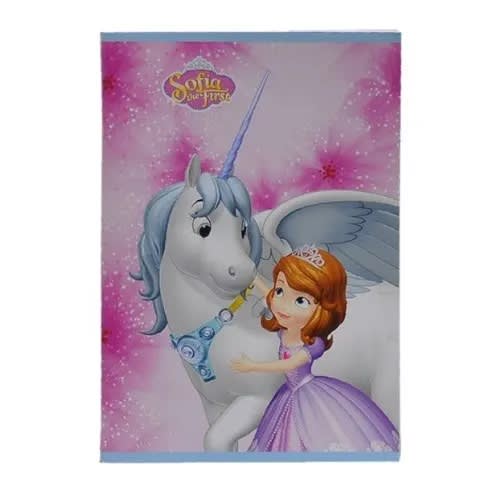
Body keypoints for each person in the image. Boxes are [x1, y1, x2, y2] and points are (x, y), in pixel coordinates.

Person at [231, 244, 399, 452]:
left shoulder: (313, 344)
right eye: (280, 290)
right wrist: (253, 276)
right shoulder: (287, 327)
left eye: (301, 300)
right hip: (288, 395)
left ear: (323, 308)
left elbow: (289, 364)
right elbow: (268, 294)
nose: (283, 305)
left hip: (309, 395)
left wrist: (253, 366)